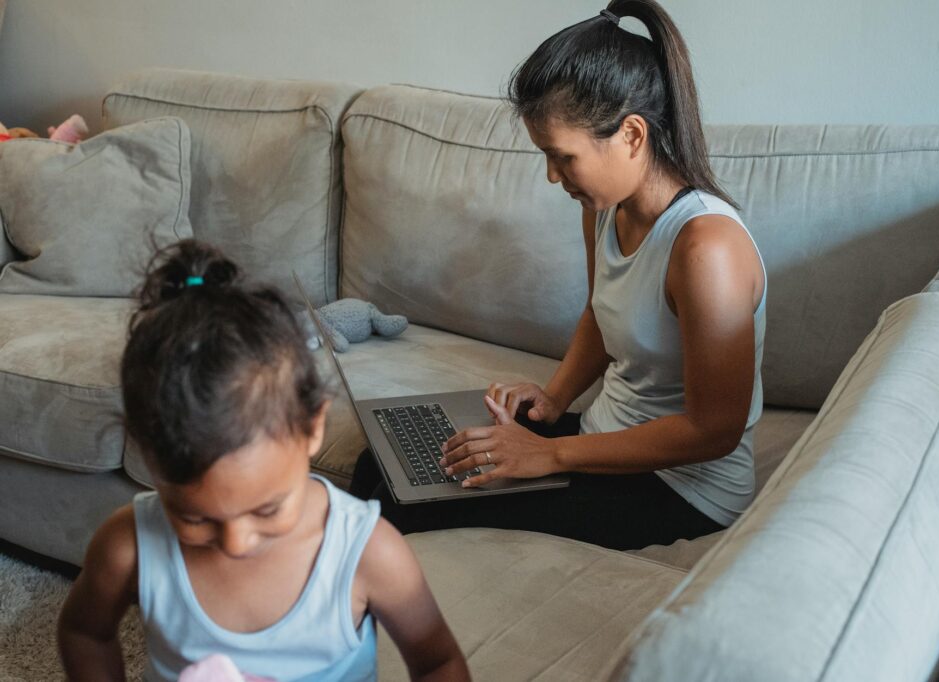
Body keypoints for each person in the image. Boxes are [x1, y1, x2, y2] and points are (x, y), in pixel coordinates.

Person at [351, 0, 767, 552]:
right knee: (381, 462)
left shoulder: (706, 248)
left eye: (564, 157)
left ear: (632, 135)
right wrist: (552, 400)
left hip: (681, 487)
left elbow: (714, 430)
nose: (553, 175)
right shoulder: (604, 208)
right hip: (607, 438)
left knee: (400, 504)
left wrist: (549, 452)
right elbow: (600, 311)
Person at [57, 241, 469, 682]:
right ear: (148, 457)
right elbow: (84, 633)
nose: (236, 543)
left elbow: (438, 663)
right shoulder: (129, 545)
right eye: (194, 517)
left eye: (268, 508)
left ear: (312, 427)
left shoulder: (367, 553)